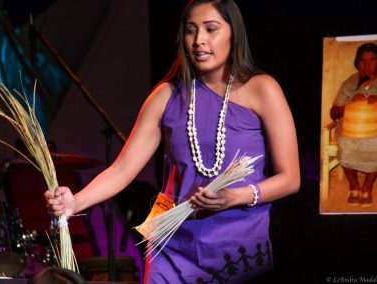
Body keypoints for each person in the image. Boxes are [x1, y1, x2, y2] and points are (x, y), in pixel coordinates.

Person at [45, 0, 300, 283]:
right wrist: (75, 202)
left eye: (211, 29)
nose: (199, 40)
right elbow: (123, 169)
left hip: (238, 246)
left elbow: (290, 179)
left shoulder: (262, 89)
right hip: (172, 245)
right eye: (191, 31)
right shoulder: (165, 96)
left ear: (234, 34)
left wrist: (233, 197)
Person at [330, 42, 377, 207]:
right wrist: (350, 103)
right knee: (345, 142)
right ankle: (354, 185)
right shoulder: (349, 83)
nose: (367, 64)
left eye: (372, 60)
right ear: (357, 62)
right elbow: (333, 113)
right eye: (363, 60)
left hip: (375, 129)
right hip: (349, 128)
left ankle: (368, 186)